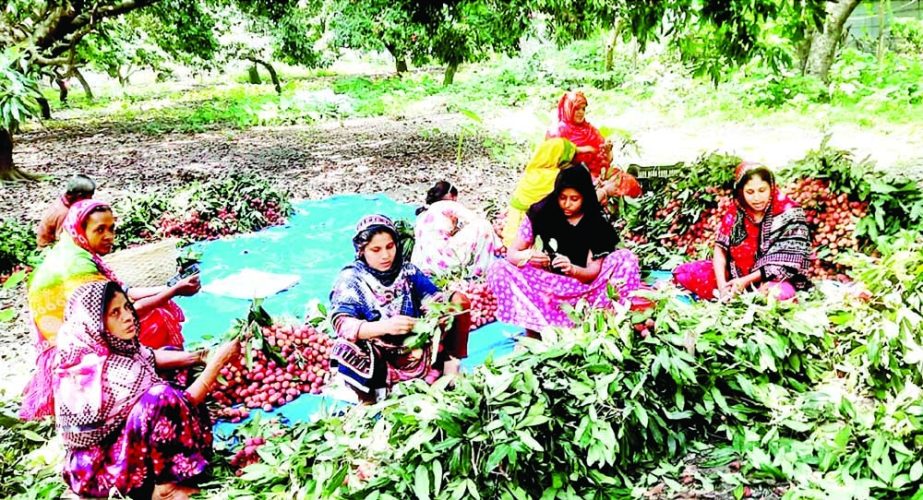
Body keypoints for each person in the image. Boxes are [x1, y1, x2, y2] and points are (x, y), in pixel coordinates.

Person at [54, 281, 240, 499]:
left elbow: (150, 357)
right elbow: (182, 401)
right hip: (102, 470)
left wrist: (200, 356)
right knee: (161, 397)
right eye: (115, 313)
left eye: (126, 307)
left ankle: (172, 465)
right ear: (94, 323)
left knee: (173, 363)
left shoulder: (106, 345)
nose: (127, 316)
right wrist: (217, 363)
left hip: (119, 442)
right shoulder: (100, 370)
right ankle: (165, 489)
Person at [22, 199, 201, 420]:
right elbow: (126, 311)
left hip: (76, 336)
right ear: (81, 229)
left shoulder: (74, 250)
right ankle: (143, 379)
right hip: (74, 354)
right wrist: (173, 293)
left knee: (157, 307)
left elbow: (123, 292)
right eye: (100, 230)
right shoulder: (77, 267)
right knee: (155, 319)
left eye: (112, 228)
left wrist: (170, 288)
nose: (109, 236)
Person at [329, 214, 472, 403]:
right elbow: (342, 323)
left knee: (458, 302)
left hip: (414, 344)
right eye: (376, 250)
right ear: (362, 251)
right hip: (379, 350)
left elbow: (434, 297)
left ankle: (450, 370)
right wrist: (386, 326)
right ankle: (371, 396)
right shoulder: (352, 279)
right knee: (344, 348)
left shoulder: (407, 271)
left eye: (390, 247)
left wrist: (437, 313)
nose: (386, 255)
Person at [489, 166, 642, 337]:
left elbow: (593, 272)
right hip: (548, 286)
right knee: (499, 268)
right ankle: (535, 328)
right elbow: (512, 253)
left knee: (626, 258)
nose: (567, 204)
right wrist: (528, 256)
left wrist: (572, 269)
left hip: (586, 290)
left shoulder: (596, 223)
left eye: (574, 199)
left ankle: (600, 323)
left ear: (585, 197)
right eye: (562, 198)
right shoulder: (540, 212)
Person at [673, 162, 812, 301]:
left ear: (771, 187)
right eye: (750, 192)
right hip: (735, 276)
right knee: (687, 274)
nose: (757, 198)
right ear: (741, 191)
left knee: (775, 294)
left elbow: (789, 261)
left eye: (762, 190)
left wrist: (746, 281)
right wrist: (722, 288)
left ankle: (752, 296)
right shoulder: (736, 212)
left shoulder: (790, 213)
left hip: (772, 279)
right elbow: (720, 249)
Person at [546, 91, 641, 198]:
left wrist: (608, 151)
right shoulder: (557, 132)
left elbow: (606, 161)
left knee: (628, 182)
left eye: (583, 109)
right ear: (568, 109)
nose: (581, 112)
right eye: (576, 109)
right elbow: (552, 163)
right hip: (571, 178)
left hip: (598, 176)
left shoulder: (591, 131)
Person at [412, 181, 499, 277]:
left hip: (424, 264)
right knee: (483, 225)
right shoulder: (447, 205)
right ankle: (479, 272)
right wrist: (499, 244)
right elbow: (474, 219)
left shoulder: (423, 214)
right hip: (445, 262)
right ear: (451, 196)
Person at [37, 174, 96, 248]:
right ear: (80, 196)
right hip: (49, 250)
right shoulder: (64, 213)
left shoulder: (65, 200)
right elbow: (62, 240)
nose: (90, 200)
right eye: (89, 197)